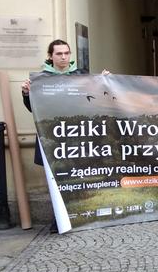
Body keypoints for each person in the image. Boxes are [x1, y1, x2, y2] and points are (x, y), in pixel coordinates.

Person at [21, 39, 107, 232]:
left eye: (66, 53)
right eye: (59, 54)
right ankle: (58, 220)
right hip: (52, 137)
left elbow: (93, 101)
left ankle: (79, 216)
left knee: (75, 178)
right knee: (55, 181)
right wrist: (27, 94)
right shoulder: (41, 79)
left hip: (76, 136)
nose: (64, 57)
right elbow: (33, 109)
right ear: (50, 56)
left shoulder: (80, 76)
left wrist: (104, 81)